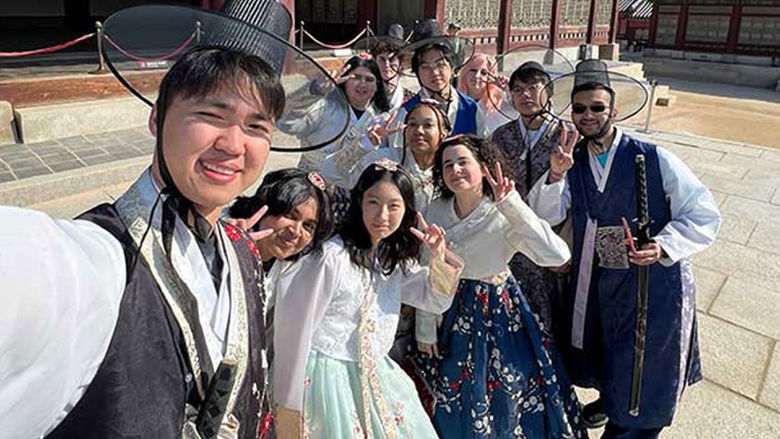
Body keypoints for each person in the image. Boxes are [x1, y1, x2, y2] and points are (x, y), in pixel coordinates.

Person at [0, 1, 349, 437]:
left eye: (257, 127)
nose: (233, 144)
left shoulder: (239, 253)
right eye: (211, 115)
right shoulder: (101, 260)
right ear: (156, 115)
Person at [529, 59, 721, 438]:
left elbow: (702, 213)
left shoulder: (652, 157)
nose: (588, 116)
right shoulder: (573, 160)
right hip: (598, 276)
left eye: (597, 107)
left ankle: (630, 425)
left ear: (613, 111)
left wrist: (664, 246)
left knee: (644, 368)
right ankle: (609, 402)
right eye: (580, 109)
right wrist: (554, 174)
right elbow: (542, 213)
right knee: (606, 350)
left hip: (651, 280)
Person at [271, 160, 465, 438]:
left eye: (394, 206)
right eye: (373, 202)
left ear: (407, 211)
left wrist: (438, 259)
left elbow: (434, 301)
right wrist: (289, 405)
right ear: (359, 202)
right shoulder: (331, 256)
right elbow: (296, 329)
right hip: (324, 379)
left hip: (377, 374)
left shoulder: (393, 260)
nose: (382, 215)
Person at [414, 135, 586, 438]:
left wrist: (513, 205)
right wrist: (425, 326)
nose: (455, 170)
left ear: (483, 166)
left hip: (497, 307)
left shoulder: (503, 210)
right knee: (452, 385)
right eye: (447, 165)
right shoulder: (435, 210)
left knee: (508, 384)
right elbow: (428, 271)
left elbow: (557, 255)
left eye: (463, 162)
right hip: (448, 306)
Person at [490, 60, 578, 333]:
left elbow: (579, 202)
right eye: (517, 89)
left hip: (551, 236)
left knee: (550, 313)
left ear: (548, 93)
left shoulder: (569, 136)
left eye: (533, 87)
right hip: (510, 240)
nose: (525, 95)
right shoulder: (500, 136)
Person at [279, 54, 391, 172]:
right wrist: (315, 89)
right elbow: (286, 120)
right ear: (345, 80)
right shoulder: (323, 106)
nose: (362, 84)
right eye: (356, 77)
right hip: (314, 180)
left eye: (369, 79)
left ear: (377, 86)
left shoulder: (382, 118)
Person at [387, 19, 488, 150]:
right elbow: (397, 156)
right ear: (417, 72)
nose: (434, 72)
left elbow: (483, 151)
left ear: (452, 68)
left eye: (440, 64)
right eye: (426, 67)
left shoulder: (470, 109)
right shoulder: (405, 113)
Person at [458, 52, 518, 133]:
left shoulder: (500, 101)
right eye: (473, 70)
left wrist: (508, 88)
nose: (477, 76)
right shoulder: (456, 99)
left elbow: (519, 108)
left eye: (484, 73)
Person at [370, 23, 415, 111]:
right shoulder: (366, 97)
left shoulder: (411, 102)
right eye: (382, 60)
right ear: (375, 61)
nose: (387, 65)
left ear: (401, 63)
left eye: (392, 60)